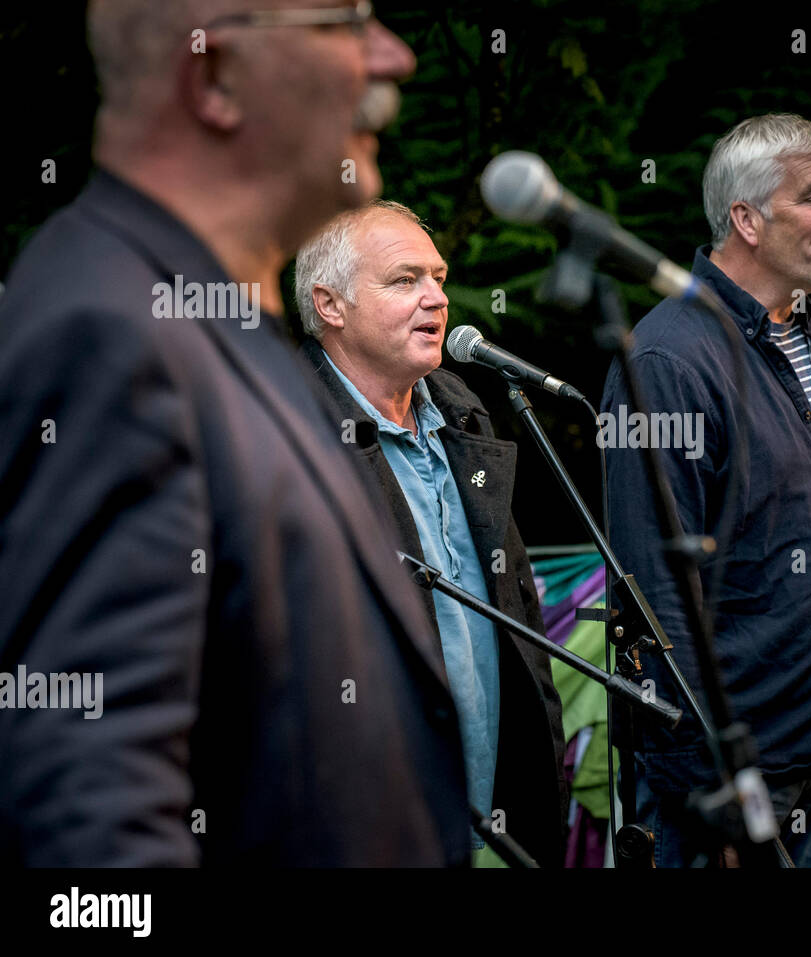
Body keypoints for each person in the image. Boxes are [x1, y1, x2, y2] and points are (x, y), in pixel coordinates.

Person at [0, 0, 474, 865]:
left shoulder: (217, 323)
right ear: (215, 75)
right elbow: (90, 825)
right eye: (344, 25)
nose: (394, 59)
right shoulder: (112, 336)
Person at [600, 113, 811, 867]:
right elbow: (654, 594)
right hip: (720, 781)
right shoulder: (667, 357)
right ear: (747, 218)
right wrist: (712, 791)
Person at [294, 199, 568, 867]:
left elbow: (519, 613)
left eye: (439, 278)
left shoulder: (465, 415)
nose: (435, 298)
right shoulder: (287, 434)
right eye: (404, 280)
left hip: (501, 826)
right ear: (330, 305)